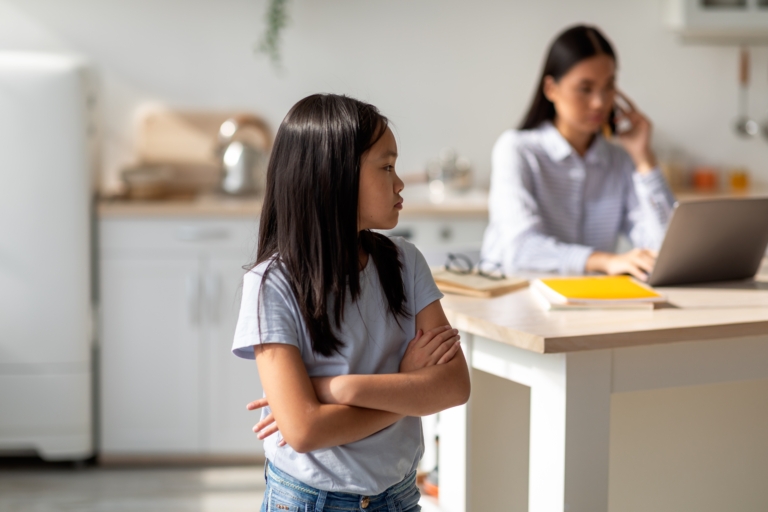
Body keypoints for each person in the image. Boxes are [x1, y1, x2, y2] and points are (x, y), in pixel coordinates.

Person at [231, 94, 471, 512]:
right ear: (333, 176)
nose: (400, 184)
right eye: (387, 166)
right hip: (310, 501)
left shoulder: (405, 262)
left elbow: (453, 386)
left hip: (397, 497)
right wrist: (405, 383)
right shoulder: (271, 284)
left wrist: (339, 388)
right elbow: (304, 429)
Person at [480, 25, 675, 281]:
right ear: (551, 89)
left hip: (586, 304)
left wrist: (644, 158)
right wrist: (605, 261)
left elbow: (665, 251)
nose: (600, 102)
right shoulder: (518, 149)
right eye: (585, 88)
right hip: (513, 298)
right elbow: (521, 250)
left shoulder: (619, 160)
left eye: (608, 86)